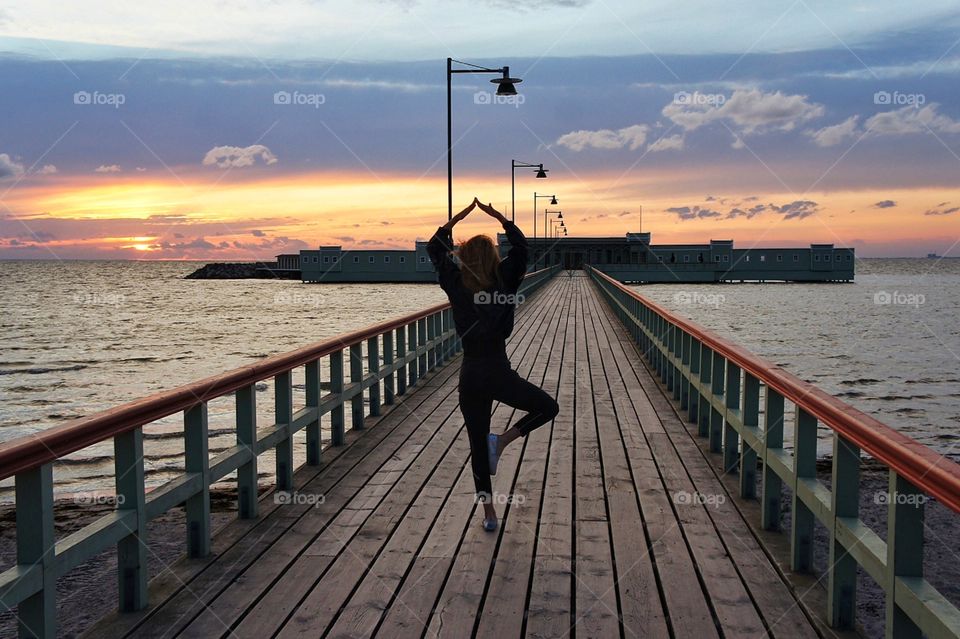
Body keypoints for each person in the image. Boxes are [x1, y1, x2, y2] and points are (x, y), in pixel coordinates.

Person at [427, 198, 560, 532]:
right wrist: (500, 218)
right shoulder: (505, 282)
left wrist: (456, 219)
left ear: (465, 258)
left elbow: (434, 248)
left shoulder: (456, 286)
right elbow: (521, 248)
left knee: (475, 444)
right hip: (498, 370)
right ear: (493, 258)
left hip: (470, 373)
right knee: (547, 407)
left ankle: (489, 514)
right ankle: (502, 441)